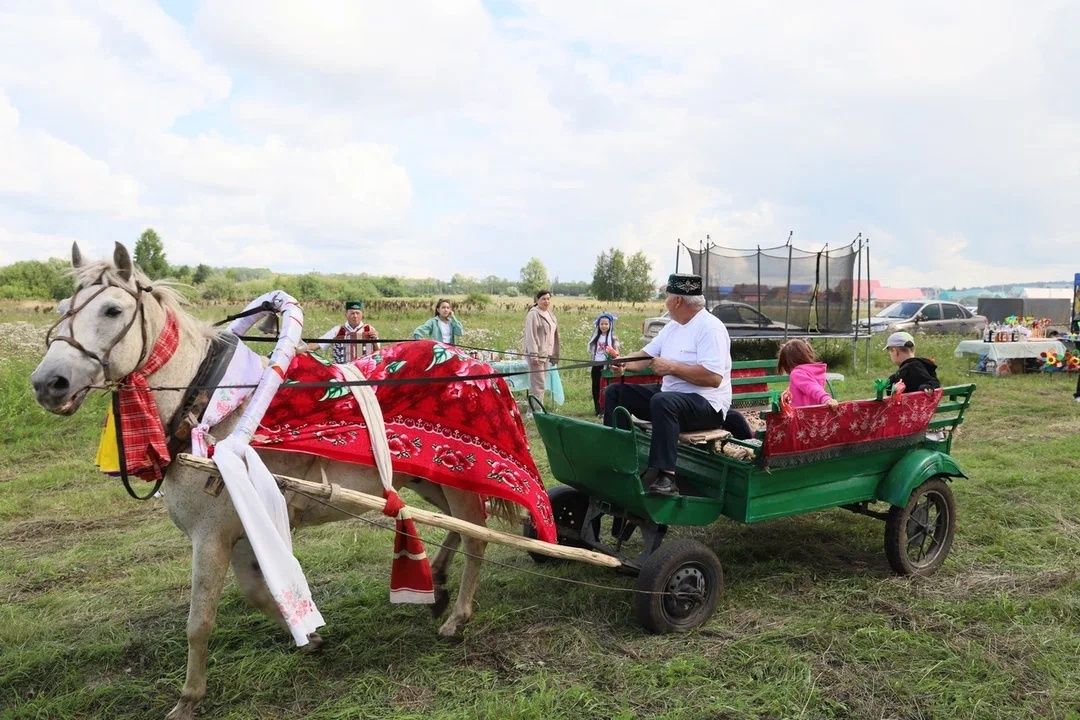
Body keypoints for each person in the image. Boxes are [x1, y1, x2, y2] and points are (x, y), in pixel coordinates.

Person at [603, 273, 752, 497]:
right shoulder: (673, 326)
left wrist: (672, 368)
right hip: (671, 398)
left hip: (707, 407)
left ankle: (667, 477)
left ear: (678, 301)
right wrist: (622, 363)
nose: (666, 301)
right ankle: (618, 458)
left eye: (667, 296)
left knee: (663, 401)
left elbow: (713, 378)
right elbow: (646, 355)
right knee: (616, 393)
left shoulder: (710, 328)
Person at [309, 300, 380, 363]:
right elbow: (318, 344)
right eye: (352, 313)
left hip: (364, 371)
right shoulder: (337, 330)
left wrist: (374, 340)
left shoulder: (369, 329)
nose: (355, 316)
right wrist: (301, 349)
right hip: (342, 371)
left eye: (357, 313)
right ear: (346, 314)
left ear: (362, 314)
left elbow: (378, 352)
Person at [777, 338, 839, 409]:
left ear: (787, 362)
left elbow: (813, 388)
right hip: (815, 414)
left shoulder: (797, 373)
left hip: (803, 416)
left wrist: (826, 399)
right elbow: (804, 388)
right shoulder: (810, 372)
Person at [523, 289, 560, 404]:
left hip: (547, 354)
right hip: (537, 354)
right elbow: (530, 335)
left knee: (541, 382)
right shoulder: (533, 314)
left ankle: (535, 407)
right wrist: (534, 354)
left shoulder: (550, 314)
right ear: (537, 300)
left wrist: (554, 353)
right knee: (539, 384)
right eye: (543, 299)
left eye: (548, 299)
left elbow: (554, 335)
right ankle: (536, 411)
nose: (546, 301)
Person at [588, 312, 621, 416]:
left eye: (606, 324)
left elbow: (617, 352)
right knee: (596, 386)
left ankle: (606, 408)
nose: (604, 326)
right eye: (602, 324)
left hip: (607, 366)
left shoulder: (613, 339)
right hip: (596, 365)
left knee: (605, 387)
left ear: (610, 325)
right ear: (598, 325)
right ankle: (597, 409)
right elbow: (591, 350)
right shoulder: (595, 338)